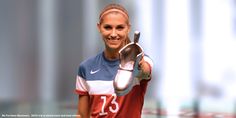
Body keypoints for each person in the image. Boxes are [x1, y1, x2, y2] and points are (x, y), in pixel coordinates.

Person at [75, 3, 153, 118]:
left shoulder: (141, 60)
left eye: (120, 27)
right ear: (99, 27)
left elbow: (145, 71)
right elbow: (82, 115)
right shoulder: (86, 68)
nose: (113, 34)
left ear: (128, 29)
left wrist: (139, 66)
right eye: (107, 27)